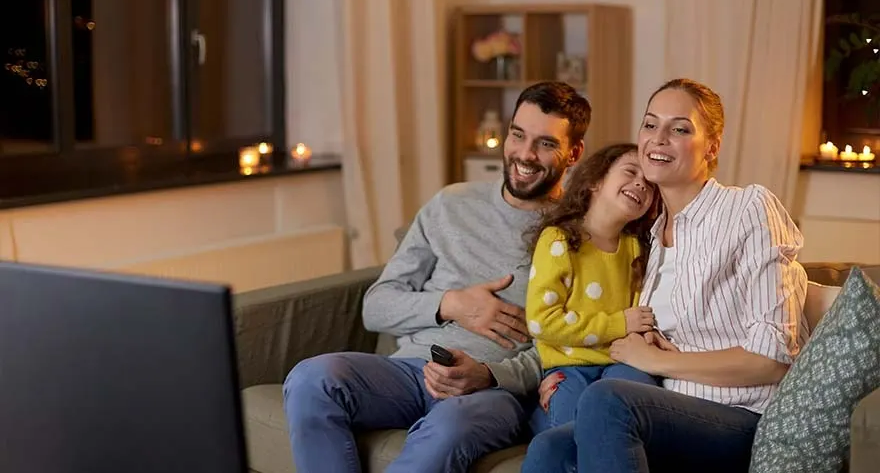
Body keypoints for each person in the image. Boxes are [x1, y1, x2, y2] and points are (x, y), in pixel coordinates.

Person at [282, 81, 590, 473]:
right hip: (409, 371)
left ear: (574, 153)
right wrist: (450, 304)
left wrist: (488, 375)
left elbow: (567, 349)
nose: (525, 154)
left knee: (451, 425)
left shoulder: (577, 235)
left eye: (545, 143)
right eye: (518, 135)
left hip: (488, 393)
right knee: (310, 379)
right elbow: (376, 307)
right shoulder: (450, 204)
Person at [524, 78, 809, 473]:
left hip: (739, 416)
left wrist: (657, 361)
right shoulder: (651, 239)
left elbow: (771, 358)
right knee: (549, 448)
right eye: (650, 124)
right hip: (663, 409)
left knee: (609, 401)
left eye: (679, 129)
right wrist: (568, 374)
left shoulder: (747, 209)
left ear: (711, 147)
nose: (658, 138)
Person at [522, 143, 660, 439]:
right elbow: (542, 322)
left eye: (650, 184)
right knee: (570, 433)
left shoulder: (636, 249)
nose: (641, 184)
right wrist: (618, 324)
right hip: (570, 368)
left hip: (622, 362)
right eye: (630, 172)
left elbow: (641, 317)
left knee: (634, 410)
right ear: (595, 181)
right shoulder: (558, 240)